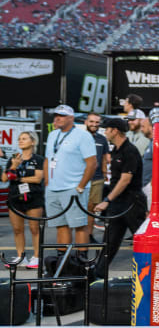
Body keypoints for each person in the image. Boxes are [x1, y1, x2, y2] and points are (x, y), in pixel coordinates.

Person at [95, 116, 148, 279]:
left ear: (115, 131)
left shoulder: (129, 151)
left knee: (142, 239)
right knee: (109, 241)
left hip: (132, 202)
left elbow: (125, 179)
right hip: (117, 202)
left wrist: (107, 200)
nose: (105, 132)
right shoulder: (115, 150)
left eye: (107, 129)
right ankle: (97, 275)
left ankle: (151, 273)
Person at [43, 104, 98, 259]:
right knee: (60, 226)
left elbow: (92, 163)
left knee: (79, 225)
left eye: (61, 116)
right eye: (56, 115)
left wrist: (81, 186)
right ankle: (63, 260)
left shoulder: (83, 135)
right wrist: (47, 182)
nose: (57, 118)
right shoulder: (53, 135)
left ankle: (82, 260)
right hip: (53, 188)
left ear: (71, 118)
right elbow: (47, 159)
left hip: (73, 187)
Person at [7, 131, 45, 268]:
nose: (20, 141)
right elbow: (5, 177)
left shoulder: (39, 159)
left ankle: (37, 257)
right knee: (17, 229)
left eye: (24, 138)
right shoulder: (14, 158)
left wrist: (17, 178)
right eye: (19, 139)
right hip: (15, 197)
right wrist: (14, 166)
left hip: (33, 197)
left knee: (35, 229)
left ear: (33, 141)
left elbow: (37, 178)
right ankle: (20, 256)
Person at [83, 112, 109, 242]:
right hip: (80, 179)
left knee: (92, 209)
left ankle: (89, 235)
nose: (94, 124)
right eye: (91, 121)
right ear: (86, 122)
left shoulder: (102, 139)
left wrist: (105, 174)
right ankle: (80, 237)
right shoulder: (79, 137)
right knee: (79, 209)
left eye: (97, 122)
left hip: (97, 179)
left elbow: (104, 158)